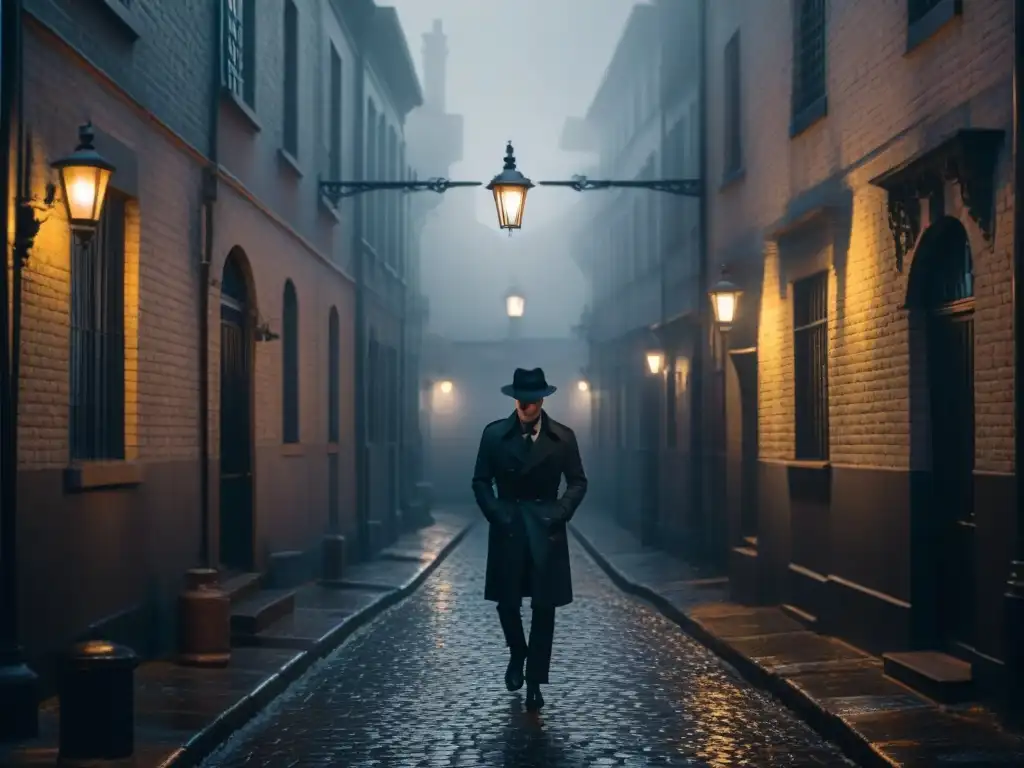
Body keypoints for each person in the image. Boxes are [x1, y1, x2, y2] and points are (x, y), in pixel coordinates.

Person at [471, 367, 588, 712]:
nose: (526, 405)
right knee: (507, 601)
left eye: (532, 399)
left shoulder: (563, 438)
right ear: (515, 400)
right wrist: (497, 512)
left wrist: (560, 511)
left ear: (542, 400)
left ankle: (535, 680)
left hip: (545, 528)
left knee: (543, 606)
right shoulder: (494, 435)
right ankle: (517, 653)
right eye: (521, 399)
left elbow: (578, 481)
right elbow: (480, 480)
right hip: (509, 526)